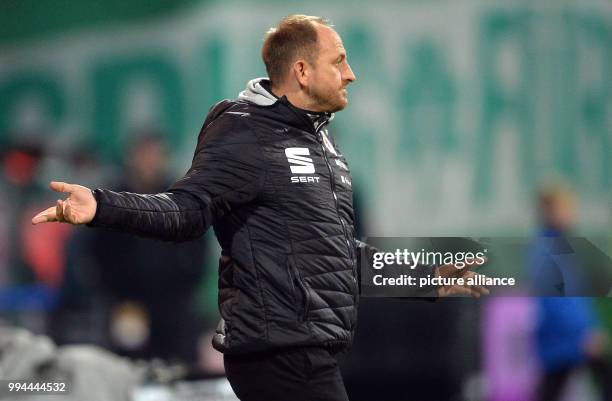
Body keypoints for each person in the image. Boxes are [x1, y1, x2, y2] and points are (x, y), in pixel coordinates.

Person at [32, 15, 487, 401]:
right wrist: (103, 205)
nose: (351, 73)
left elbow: (337, 255)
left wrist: (424, 276)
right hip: (278, 352)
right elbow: (188, 210)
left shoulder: (322, 144)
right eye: (340, 61)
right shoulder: (244, 131)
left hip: (306, 349)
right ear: (303, 71)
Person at [530, 183, 612, 401]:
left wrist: (589, 327)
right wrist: (581, 334)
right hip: (563, 339)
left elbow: (577, 297)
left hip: (568, 338)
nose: (572, 212)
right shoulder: (547, 249)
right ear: (550, 210)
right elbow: (555, 300)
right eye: (566, 207)